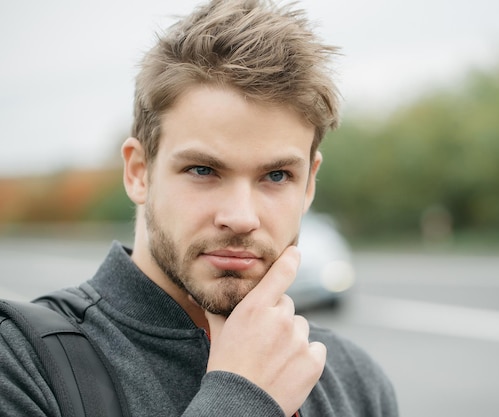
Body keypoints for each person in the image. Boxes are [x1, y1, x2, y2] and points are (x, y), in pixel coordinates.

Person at [0, 1, 399, 416]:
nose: (242, 216)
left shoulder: (355, 381)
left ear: (310, 184)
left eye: (277, 176)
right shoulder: (20, 365)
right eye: (203, 170)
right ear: (139, 173)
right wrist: (242, 398)